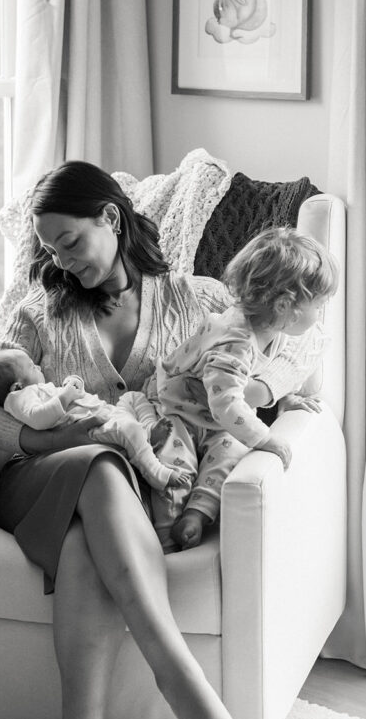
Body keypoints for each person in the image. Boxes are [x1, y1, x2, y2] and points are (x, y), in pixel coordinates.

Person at [0, 160, 325, 719]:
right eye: (48, 248)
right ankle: (172, 667)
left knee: (82, 546)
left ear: (111, 219)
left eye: (69, 241)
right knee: (97, 462)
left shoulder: (196, 298)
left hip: (130, 500)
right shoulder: (37, 310)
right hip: (42, 478)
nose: (58, 259)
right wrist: (56, 434)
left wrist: (264, 398)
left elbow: (283, 350)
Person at [139, 226, 338, 551]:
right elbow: (226, 404)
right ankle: (166, 539)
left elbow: (255, 378)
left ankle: (198, 514)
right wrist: (265, 438)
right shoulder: (234, 341)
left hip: (214, 419)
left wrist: (288, 397)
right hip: (176, 411)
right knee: (175, 464)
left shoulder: (274, 331)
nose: (320, 315)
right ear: (285, 307)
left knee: (229, 456)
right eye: (318, 305)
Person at [0, 347, 190, 492]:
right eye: (31, 367)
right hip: (89, 431)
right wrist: (65, 396)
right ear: (16, 386)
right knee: (128, 429)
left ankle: (148, 432)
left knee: (133, 398)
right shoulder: (19, 397)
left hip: (105, 413)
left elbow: (69, 399)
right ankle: (156, 473)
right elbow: (40, 419)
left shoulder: (33, 389)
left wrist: (72, 385)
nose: (37, 367)